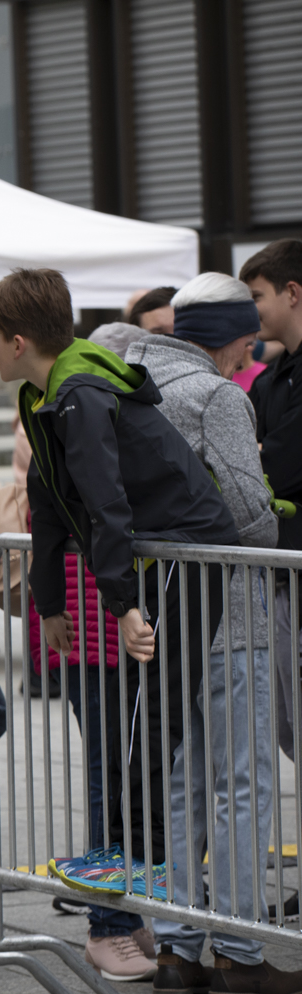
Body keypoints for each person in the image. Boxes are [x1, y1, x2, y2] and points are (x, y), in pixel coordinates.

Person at [0, 267, 239, 981]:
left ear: (19, 339)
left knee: (149, 716)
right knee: (138, 718)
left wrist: (123, 603)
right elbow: (50, 499)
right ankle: (131, 854)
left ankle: (142, 862)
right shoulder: (46, 393)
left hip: (188, 545)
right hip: (158, 557)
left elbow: (105, 497)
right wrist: (52, 603)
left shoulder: (82, 392)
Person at [123, 274, 302, 994]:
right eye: (245, 334)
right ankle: (236, 949)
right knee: (242, 782)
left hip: (162, 606)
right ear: (231, 334)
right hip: (230, 609)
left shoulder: (133, 384)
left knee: (184, 781)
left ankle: (175, 946)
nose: (250, 347)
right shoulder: (217, 396)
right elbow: (250, 514)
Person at [241, 239, 302, 764]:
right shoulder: (270, 378)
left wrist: (260, 456)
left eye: (256, 296)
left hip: (292, 569)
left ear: (293, 292)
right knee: (288, 727)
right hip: (279, 574)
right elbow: (247, 461)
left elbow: (274, 465)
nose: (249, 310)